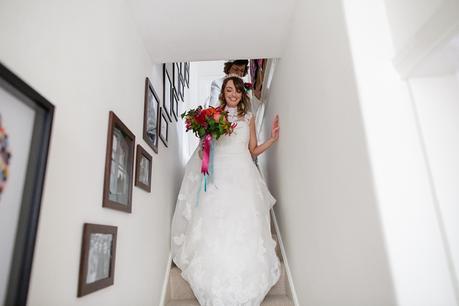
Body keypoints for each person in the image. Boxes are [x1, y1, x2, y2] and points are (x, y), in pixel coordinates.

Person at [171, 76, 281, 305]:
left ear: (242, 94)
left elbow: (252, 149)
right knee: (215, 220)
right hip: (218, 174)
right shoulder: (213, 115)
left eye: (237, 91)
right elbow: (205, 153)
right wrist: (203, 145)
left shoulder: (249, 118)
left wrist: (271, 139)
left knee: (244, 220)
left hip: (243, 173)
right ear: (223, 92)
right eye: (229, 90)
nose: (233, 94)